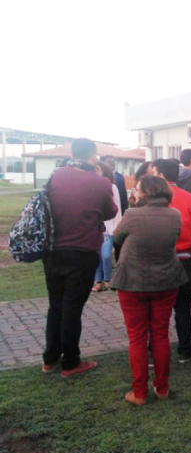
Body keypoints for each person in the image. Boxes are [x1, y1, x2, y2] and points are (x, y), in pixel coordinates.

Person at [42, 138, 117, 377]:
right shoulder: (99, 182)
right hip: (82, 252)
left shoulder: (56, 175)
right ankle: (71, 362)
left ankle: (50, 358)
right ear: (93, 157)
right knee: (72, 308)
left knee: (56, 305)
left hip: (53, 251)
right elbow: (110, 212)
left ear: (72, 152)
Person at [111, 175, 188, 405]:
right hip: (165, 280)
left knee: (137, 337)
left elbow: (117, 237)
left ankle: (139, 392)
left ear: (144, 193)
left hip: (132, 281)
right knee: (160, 334)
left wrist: (135, 205)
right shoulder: (175, 215)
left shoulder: (133, 215)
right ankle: (162, 388)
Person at [153, 159, 191, 363]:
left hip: (158, 261)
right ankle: (185, 350)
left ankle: (153, 354)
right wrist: (189, 240)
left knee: (157, 309)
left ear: (160, 175)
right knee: (183, 307)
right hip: (184, 259)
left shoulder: (151, 199)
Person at [92, 162, 122, 292]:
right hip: (94, 228)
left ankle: (108, 279)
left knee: (106, 255)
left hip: (109, 228)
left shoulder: (112, 187)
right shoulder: (90, 187)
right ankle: (98, 281)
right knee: (96, 256)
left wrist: (117, 227)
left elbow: (117, 208)